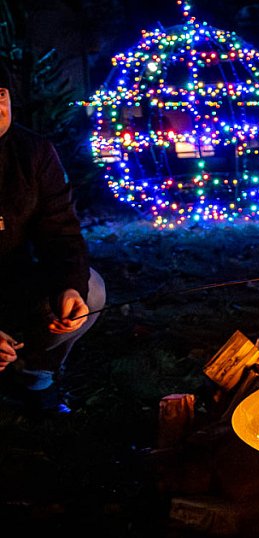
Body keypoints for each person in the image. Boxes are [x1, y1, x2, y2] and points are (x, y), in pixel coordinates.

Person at [0, 62, 106, 416]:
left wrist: (69, 287)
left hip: (15, 281)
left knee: (91, 291)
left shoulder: (32, 151)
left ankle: (33, 375)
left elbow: (61, 232)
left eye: (0, 95)